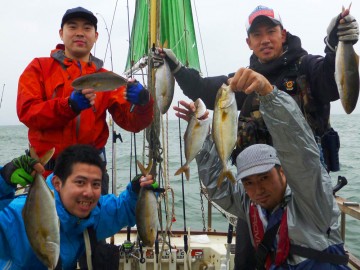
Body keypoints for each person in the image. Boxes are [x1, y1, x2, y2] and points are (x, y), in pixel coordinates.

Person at [175, 67, 350, 268]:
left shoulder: (312, 199)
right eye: (248, 182)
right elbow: (218, 186)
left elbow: (299, 151)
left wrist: (269, 94)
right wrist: (200, 132)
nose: (258, 190)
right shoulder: (251, 204)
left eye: (265, 177)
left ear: (282, 171)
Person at [162, 5, 359, 172]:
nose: (265, 39)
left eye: (271, 32)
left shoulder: (307, 67)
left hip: (307, 190)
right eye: (257, 34)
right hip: (256, 190)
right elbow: (201, 88)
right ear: (249, 43)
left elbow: (334, 83)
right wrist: (177, 67)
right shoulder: (243, 81)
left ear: (283, 35)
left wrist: (336, 45)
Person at [16, 7, 154, 193]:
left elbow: (133, 124)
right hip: (47, 174)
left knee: (93, 222)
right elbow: (27, 112)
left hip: (92, 175)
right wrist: (69, 106)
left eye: (87, 28)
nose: (80, 33)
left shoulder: (108, 78)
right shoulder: (39, 68)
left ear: (95, 36)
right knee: (47, 223)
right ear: (61, 33)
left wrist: (143, 103)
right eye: (72, 27)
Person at [0, 144, 154, 269]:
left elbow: (123, 209)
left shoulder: (92, 213)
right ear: (57, 183)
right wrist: (3, 181)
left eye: (96, 184)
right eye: (80, 182)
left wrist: (137, 191)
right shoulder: (15, 216)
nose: (88, 192)